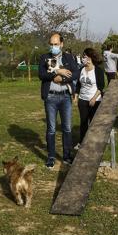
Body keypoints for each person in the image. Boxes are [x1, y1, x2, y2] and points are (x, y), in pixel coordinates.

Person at [38, 32, 80, 168]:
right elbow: (42, 74)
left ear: (61, 44)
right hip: (50, 97)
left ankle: (67, 156)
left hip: (66, 97)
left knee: (67, 128)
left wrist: (63, 77)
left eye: (56, 44)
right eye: (51, 44)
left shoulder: (69, 58)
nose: (53, 47)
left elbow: (76, 73)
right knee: (51, 129)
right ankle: (51, 157)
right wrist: (56, 73)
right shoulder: (44, 57)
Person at [74, 48, 105, 150]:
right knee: (83, 122)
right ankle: (82, 142)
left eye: (85, 56)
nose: (83, 58)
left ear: (90, 58)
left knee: (93, 122)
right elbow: (78, 85)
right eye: (83, 57)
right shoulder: (81, 70)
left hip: (95, 100)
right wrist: (76, 96)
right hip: (82, 100)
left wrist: (94, 98)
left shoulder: (98, 70)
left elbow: (101, 86)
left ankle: (94, 143)